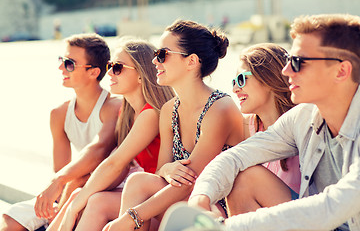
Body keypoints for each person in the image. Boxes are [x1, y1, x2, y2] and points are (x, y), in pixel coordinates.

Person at [186, 13, 360, 230]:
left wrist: (224, 227)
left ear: (341, 71)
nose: (286, 71)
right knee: (246, 177)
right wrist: (201, 197)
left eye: (297, 62)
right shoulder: (304, 117)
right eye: (288, 62)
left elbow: (331, 207)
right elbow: (236, 157)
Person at [102, 19, 245, 231]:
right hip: (183, 197)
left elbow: (190, 180)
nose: (154, 62)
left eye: (162, 55)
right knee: (137, 182)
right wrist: (167, 169)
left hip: (218, 206)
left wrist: (129, 218)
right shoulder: (170, 109)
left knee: (136, 199)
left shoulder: (220, 108)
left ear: (191, 61)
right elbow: (162, 168)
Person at [47, 38, 175, 231]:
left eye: (118, 67)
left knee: (97, 202)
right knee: (80, 195)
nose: (109, 73)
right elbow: (120, 168)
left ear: (141, 75)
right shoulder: (127, 112)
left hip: (161, 201)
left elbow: (115, 163)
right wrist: (78, 198)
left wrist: (75, 207)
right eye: (109, 66)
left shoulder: (151, 113)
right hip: (143, 193)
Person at [0, 33, 122, 231]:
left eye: (69, 63)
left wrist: (61, 183)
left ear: (93, 72)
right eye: (61, 61)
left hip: (106, 186)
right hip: (71, 185)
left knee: (75, 187)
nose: (61, 68)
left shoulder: (114, 107)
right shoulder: (59, 114)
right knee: (11, 217)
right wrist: (57, 200)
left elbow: (100, 149)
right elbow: (61, 168)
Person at [226, 43, 300, 216]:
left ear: (268, 78)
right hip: (272, 219)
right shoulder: (249, 126)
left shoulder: (303, 122)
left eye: (241, 80)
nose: (235, 89)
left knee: (246, 178)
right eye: (233, 82)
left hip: (306, 215)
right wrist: (167, 169)